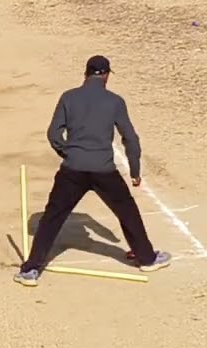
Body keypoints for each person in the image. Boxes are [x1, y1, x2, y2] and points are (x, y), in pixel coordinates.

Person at [14, 56, 172, 287]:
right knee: (127, 211)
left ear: (85, 74)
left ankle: (31, 270)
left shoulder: (68, 97)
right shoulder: (115, 101)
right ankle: (146, 258)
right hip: (104, 170)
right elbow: (130, 138)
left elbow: (53, 134)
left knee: (52, 217)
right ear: (106, 75)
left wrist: (69, 153)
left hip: (72, 170)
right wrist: (135, 170)